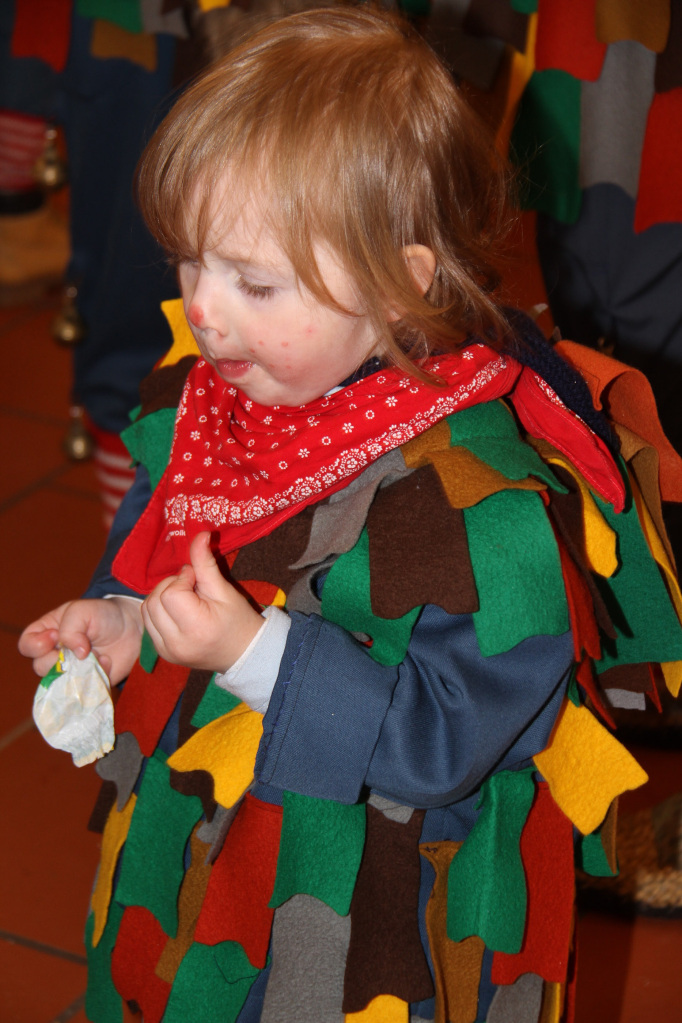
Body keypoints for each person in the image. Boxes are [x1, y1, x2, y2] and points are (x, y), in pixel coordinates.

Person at [18, 7, 682, 1022]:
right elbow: (166, 546)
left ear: (398, 288)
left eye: (255, 281)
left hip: (376, 922)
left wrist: (255, 654)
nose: (205, 310)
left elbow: (449, 743)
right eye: (190, 262)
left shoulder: (487, 511)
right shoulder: (218, 398)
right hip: (215, 859)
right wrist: (123, 619)